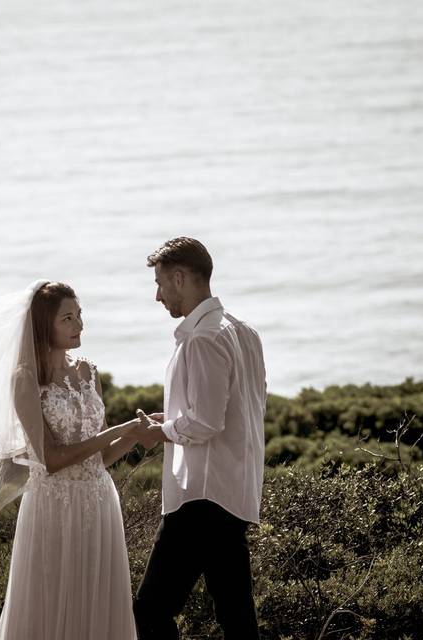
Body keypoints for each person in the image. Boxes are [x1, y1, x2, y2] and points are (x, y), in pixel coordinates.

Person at [132, 237, 267, 640]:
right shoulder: (243, 332)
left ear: (179, 278)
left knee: (149, 614)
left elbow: (207, 423)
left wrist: (161, 432)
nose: (157, 295)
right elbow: (240, 408)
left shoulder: (202, 338)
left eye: (159, 283)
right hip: (235, 491)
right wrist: (172, 419)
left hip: (202, 497)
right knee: (237, 617)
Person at [0, 281, 142, 640]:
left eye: (79, 315)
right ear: (45, 324)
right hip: (54, 507)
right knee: (52, 604)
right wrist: (120, 429)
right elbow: (51, 460)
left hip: (100, 502)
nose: (79, 325)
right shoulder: (26, 381)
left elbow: (102, 457)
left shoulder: (88, 372)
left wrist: (137, 435)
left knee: (96, 602)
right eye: (68, 318)